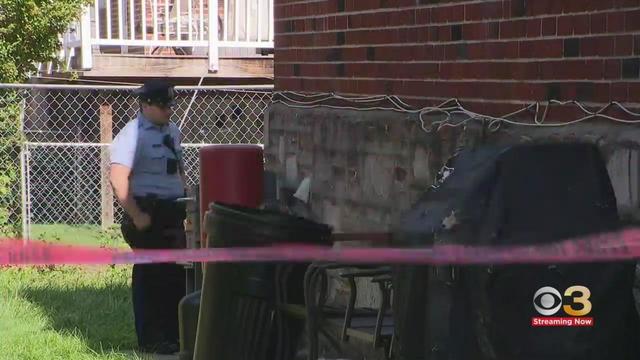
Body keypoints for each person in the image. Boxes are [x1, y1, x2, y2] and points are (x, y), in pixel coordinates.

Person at [109, 79, 187, 355]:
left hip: (173, 212)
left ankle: (176, 335)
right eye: (163, 105)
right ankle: (152, 339)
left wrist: (187, 201)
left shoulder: (174, 132)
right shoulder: (131, 135)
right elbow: (118, 178)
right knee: (151, 278)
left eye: (171, 105)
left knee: (177, 276)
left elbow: (178, 170)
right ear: (145, 105)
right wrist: (136, 214)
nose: (169, 111)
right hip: (147, 213)